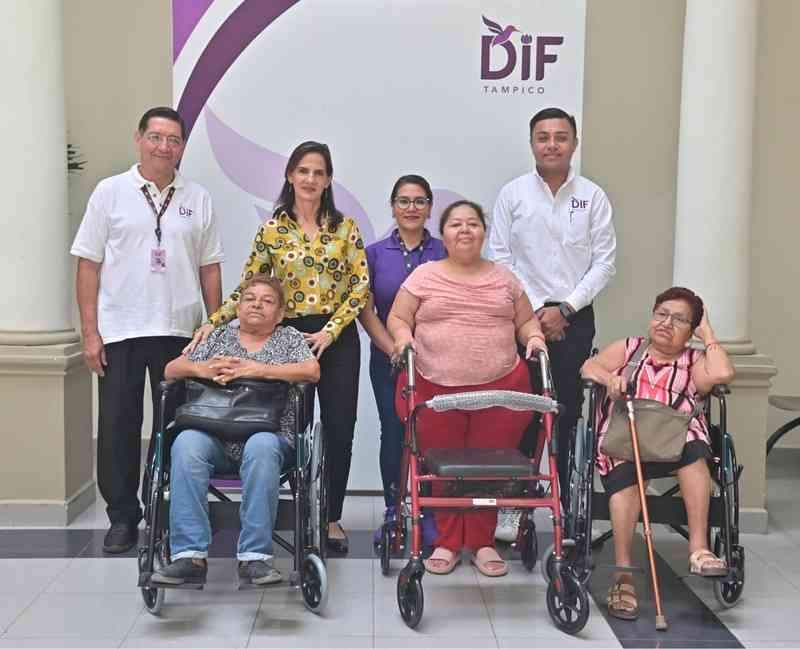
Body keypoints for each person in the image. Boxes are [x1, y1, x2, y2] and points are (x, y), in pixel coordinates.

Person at [186, 141, 369, 554]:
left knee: (340, 428)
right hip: (287, 338)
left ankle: (331, 517)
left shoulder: (345, 227)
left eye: (319, 172)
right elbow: (250, 288)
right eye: (303, 171)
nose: (310, 179)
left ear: (328, 180)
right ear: (290, 175)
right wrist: (212, 322)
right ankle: (296, 511)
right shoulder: (272, 229)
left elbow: (360, 287)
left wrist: (330, 331)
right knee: (289, 428)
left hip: (335, 338)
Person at [70, 106, 224, 554]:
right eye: (156, 137)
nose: (164, 147)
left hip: (180, 331)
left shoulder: (198, 197)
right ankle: (122, 516)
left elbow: (209, 267)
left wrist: (214, 326)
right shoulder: (110, 192)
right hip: (120, 328)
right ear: (139, 139)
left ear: (182, 147)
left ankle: (164, 509)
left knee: (174, 426)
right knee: (118, 424)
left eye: (173, 140)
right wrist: (90, 333)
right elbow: (88, 264)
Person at [388, 200, 547, 577]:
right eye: (456, 224)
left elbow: (526, 321)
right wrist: (403, 337)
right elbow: (398, 317)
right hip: (433, 387)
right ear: (442, 234)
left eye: (473, 224)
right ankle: (446, 541)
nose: (464, 230)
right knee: (445, 466)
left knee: (487, 467)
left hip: (500, 389)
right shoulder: (424, 276)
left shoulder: (505, 278)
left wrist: (535, 337)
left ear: (483, 233)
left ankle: (481, 542)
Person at [487, 106, 616, 541]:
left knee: (567, 414)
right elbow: (500, 258)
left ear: (574, 143)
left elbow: (604, 263)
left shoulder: (592, 197)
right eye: (543, 137)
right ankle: (514, 507)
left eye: (561, 137)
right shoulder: (513, 194)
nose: (552, 144)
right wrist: (533, 313)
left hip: (574, 320)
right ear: (532, 143)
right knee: (520, 412)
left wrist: (566, 310)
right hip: (520, 319)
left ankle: (566, 508)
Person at [151, 276, 319, 586]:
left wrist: (259, 370)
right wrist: (201, 369)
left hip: (269, 434)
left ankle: (254, 558)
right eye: (249, 299)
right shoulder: (217, 337)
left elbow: (312, 371)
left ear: (280, 314)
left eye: (267, 301)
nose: (256, 304)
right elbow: (171, 369)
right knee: (185, 444)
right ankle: (189, 556)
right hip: (211, 433)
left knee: (261, 447)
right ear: (238, 308)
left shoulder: (289, 338)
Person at [581, 287, 735, 620]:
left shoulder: (695, 360)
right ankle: (623, 575)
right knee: (626, 483)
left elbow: (723, 374)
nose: (666, 323)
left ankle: (699, 550)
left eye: (679, 319)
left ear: (691, 330)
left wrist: (708, 335)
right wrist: (610, 378)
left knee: (695, 453)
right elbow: (588, 367)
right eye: (661, 314)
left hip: (676, 436)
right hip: (627, 435)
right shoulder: (629, 348)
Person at [358, 174, 446, 543]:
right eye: (404, 201)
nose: (412, 208)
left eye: (419, 201)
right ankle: (394, 510)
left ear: (430, 208)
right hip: (388, 359)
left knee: (433, 434)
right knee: (394, 432)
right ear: (393, 207)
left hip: (438, 362)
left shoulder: (444, 251)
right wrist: (391, 346)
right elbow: (365, 310)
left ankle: (429, 510)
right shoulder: (375, 254)